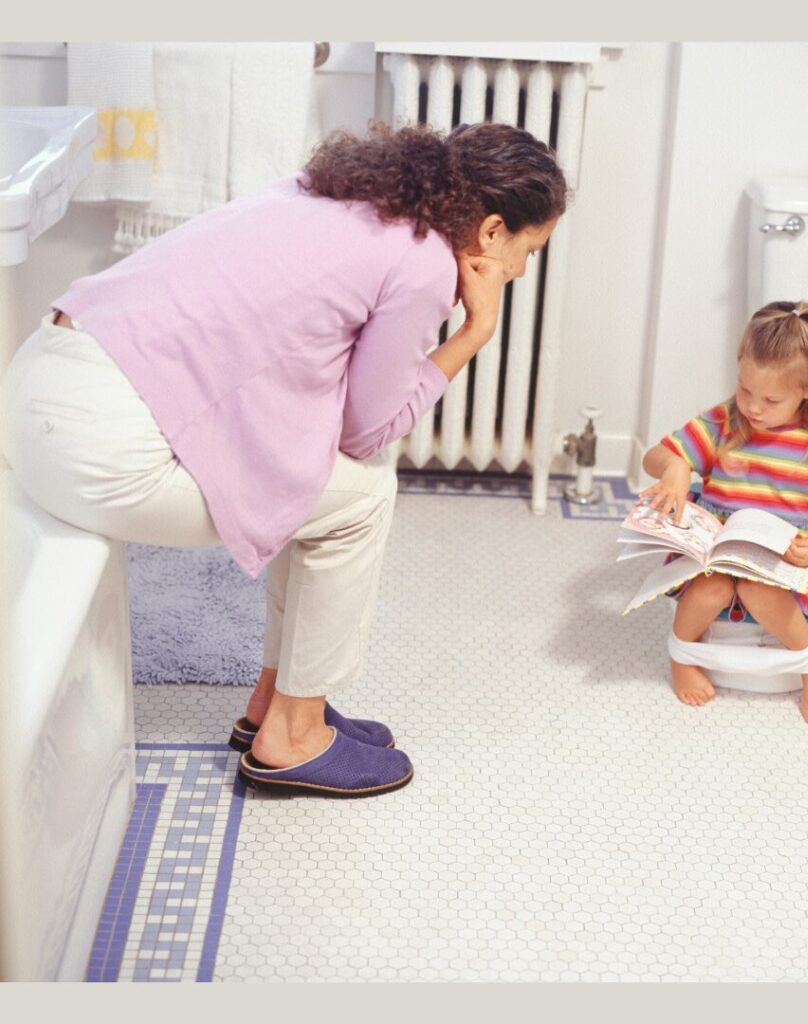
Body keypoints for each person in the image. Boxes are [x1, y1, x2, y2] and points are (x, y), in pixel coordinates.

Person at [0, 121, 567, 795]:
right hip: (96, 447)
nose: (521, 271)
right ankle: (294, 737)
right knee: (364, 495)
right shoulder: (424, 265)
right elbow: (367, 430)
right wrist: (475, 332)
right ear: (494, 230)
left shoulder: (335, 193)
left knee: (328, 480)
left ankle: (277, 703)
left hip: (40, 378)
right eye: (529, 251)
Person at [639, 301, 808, 725]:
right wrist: (674, 468)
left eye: (771, 399)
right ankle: (682, 657)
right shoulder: (726, 422)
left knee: (761, 591)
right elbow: (655, 456)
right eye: (745, 389)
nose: (753, 407)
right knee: (710, 592)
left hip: (786, 565)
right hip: (722, 555)